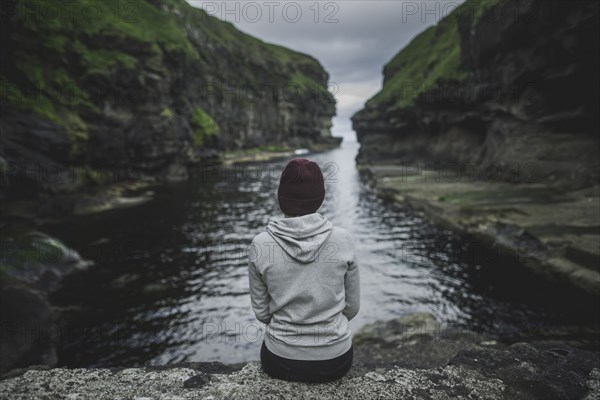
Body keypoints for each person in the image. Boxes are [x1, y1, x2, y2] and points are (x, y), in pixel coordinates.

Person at [247, 158, 360, 383]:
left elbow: (262, 314)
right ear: (320, 198)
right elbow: (352, 308)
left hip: (281, 360)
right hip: (335, 359)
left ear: (282, 198)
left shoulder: (260, 244)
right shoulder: (344, 240)